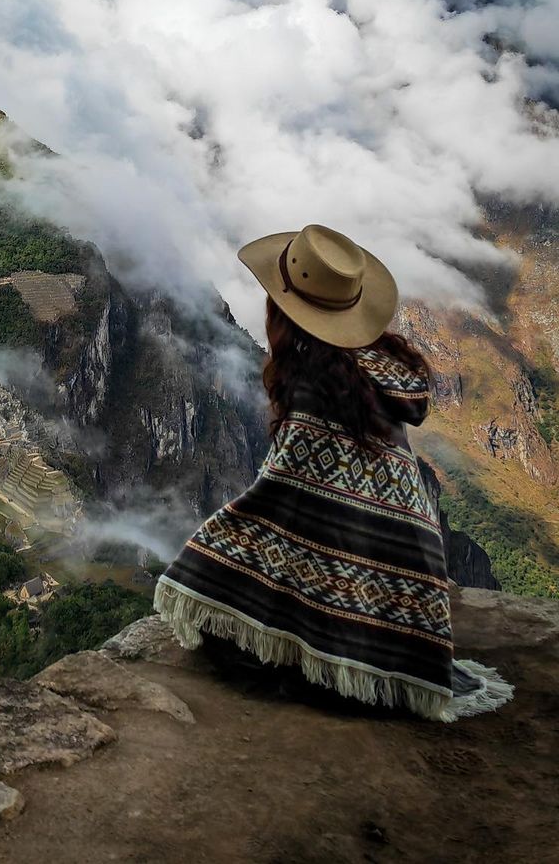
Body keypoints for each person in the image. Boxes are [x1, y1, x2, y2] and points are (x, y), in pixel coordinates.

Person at [154, 224, 513, 721]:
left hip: (364, 606)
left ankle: (337, 657)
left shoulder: (316, 395)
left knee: (222, 605)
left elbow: (274, 510)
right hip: (407, 603)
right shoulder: (374, 376)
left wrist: (200, 567)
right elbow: (311, 513)